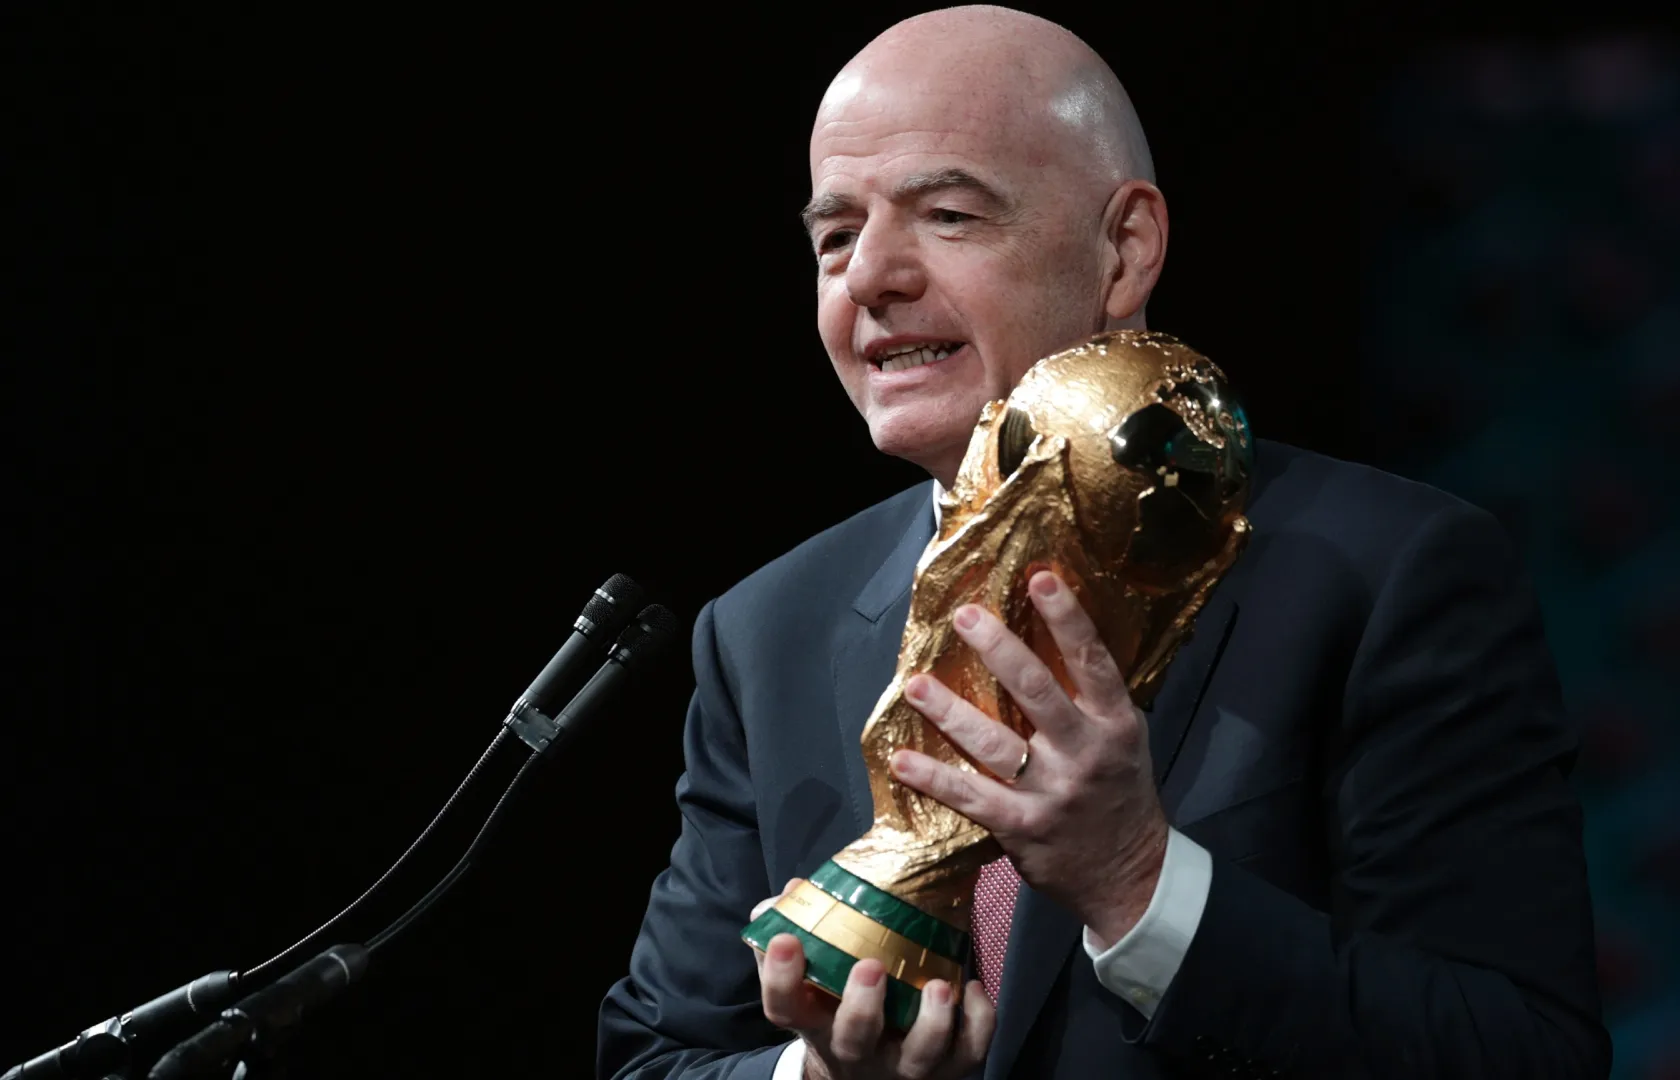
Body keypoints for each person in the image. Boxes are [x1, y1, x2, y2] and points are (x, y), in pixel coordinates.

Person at [597, 6, 1610, 1079]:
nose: (869, 278)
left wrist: (1138, 883)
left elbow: (1521, 1053)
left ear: (1124, 249)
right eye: (835, 236)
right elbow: (657, 1058)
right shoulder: (767, 632)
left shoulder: (1385, 578)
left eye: (945, 214)